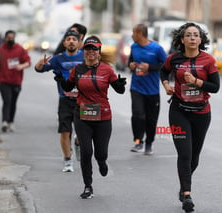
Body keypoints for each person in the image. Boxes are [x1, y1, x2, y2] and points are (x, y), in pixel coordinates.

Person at [56, 35, 126, 199]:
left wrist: (120, 84)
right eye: (87, 49)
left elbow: (119, 90)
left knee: (100, 153)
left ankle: (102, 162)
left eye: (94, 49)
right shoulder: (77, 70)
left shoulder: (107, 70)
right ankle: (88, 186)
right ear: (84, 51)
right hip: (82, 116)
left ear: (99, 52)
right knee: (86, 152)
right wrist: (60, 79)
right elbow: (68, 86)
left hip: (103, 117)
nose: (90, 52)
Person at [160, 22, 220, 212]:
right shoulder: (174, 59)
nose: (192, 38)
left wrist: (195, 81)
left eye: (196, 35)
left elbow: (215, 87)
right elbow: (163, 71)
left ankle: (183, 184)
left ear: (201, 40)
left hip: (202, 113)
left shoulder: (208, 61)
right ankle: (187, 194)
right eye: (188, 35)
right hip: (179, 111)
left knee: (194, 157)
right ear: (182, 39)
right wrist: (166, 85)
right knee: (184, 154)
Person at [34, 30, 84, 172]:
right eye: (68, 39)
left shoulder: (85, 57)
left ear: (78, 43)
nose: (71, 41)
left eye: (74, 39)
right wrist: (40, 63)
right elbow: (39, 69)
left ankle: (78, 143)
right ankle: (67, 160)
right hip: (65, 100)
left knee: (82, 132)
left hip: (82, 100)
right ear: (64, 43)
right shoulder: (58, 59)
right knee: (64, 131)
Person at [128, 23, 167, 154]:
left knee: (151, 118)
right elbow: (130, 61)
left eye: (133, 33)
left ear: (140, 34)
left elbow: (166, 65)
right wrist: (131, 65)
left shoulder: (156, 48)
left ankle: (149, 143)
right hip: (136, 87)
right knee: (137, 115)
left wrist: (150, 67)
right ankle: (138, 141)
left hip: (152, 90)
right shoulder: (133, 47)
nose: (132, 35)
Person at [0, 30, 31, 132]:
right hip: (4, 81)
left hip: (16, 81)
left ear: (15, 38)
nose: (10, 39)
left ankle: (11, 122)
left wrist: (21, 66)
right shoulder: (0, 51)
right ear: (5, 38)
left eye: (12, 38)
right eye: (8, 38)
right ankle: (4, 121)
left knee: (13, 102)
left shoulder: (20, 49)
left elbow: (28, 62)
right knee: (7, 101)